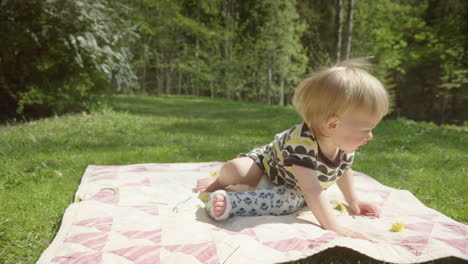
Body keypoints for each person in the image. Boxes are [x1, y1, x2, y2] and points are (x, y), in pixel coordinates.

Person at [196, 58, 388, 241]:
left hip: (293, 185)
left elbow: (342, 170)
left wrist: (353, 200)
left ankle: (233, 202)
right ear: (333, 125)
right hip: (267, 165)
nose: (370, 136)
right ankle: (219, 184)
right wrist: (333, 226)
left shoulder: (343, 147)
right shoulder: (302, 145)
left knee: (289, 201)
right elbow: (312, 191)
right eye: (365, 130)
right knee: (235, 171)